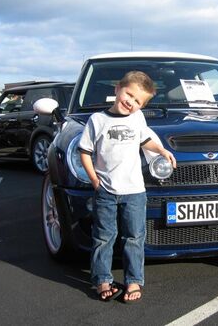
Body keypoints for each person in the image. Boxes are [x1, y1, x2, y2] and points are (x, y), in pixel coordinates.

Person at [79, 71, 176, 302]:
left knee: (134, 237)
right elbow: (85, 152)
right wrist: (94, 180)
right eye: (129, 94)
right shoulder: (97, 120)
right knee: (104, 237)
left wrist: (162, 150)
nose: (130, 102)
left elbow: (145, 140)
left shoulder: (137, 119)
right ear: (117, 89)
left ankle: (133, 280)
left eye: (137, 101)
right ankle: (102, 279)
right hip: (106, 192)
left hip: (134, 192)